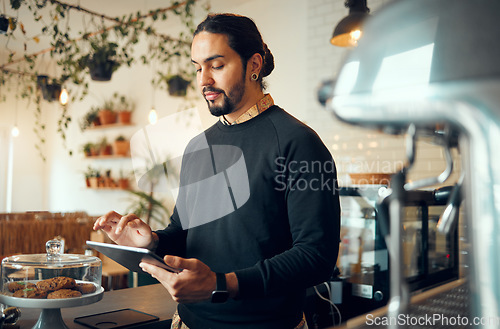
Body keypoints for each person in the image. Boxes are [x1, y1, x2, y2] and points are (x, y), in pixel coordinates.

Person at [94, 13, 341, 329]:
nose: (203, 80)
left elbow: (316, 257)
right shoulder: (198, 147)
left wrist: (222, 284)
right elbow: (185, 234)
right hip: (188, 323)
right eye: (198, 67)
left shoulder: (298, 142)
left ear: (254, 65)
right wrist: (151, 242)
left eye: (217, 65)